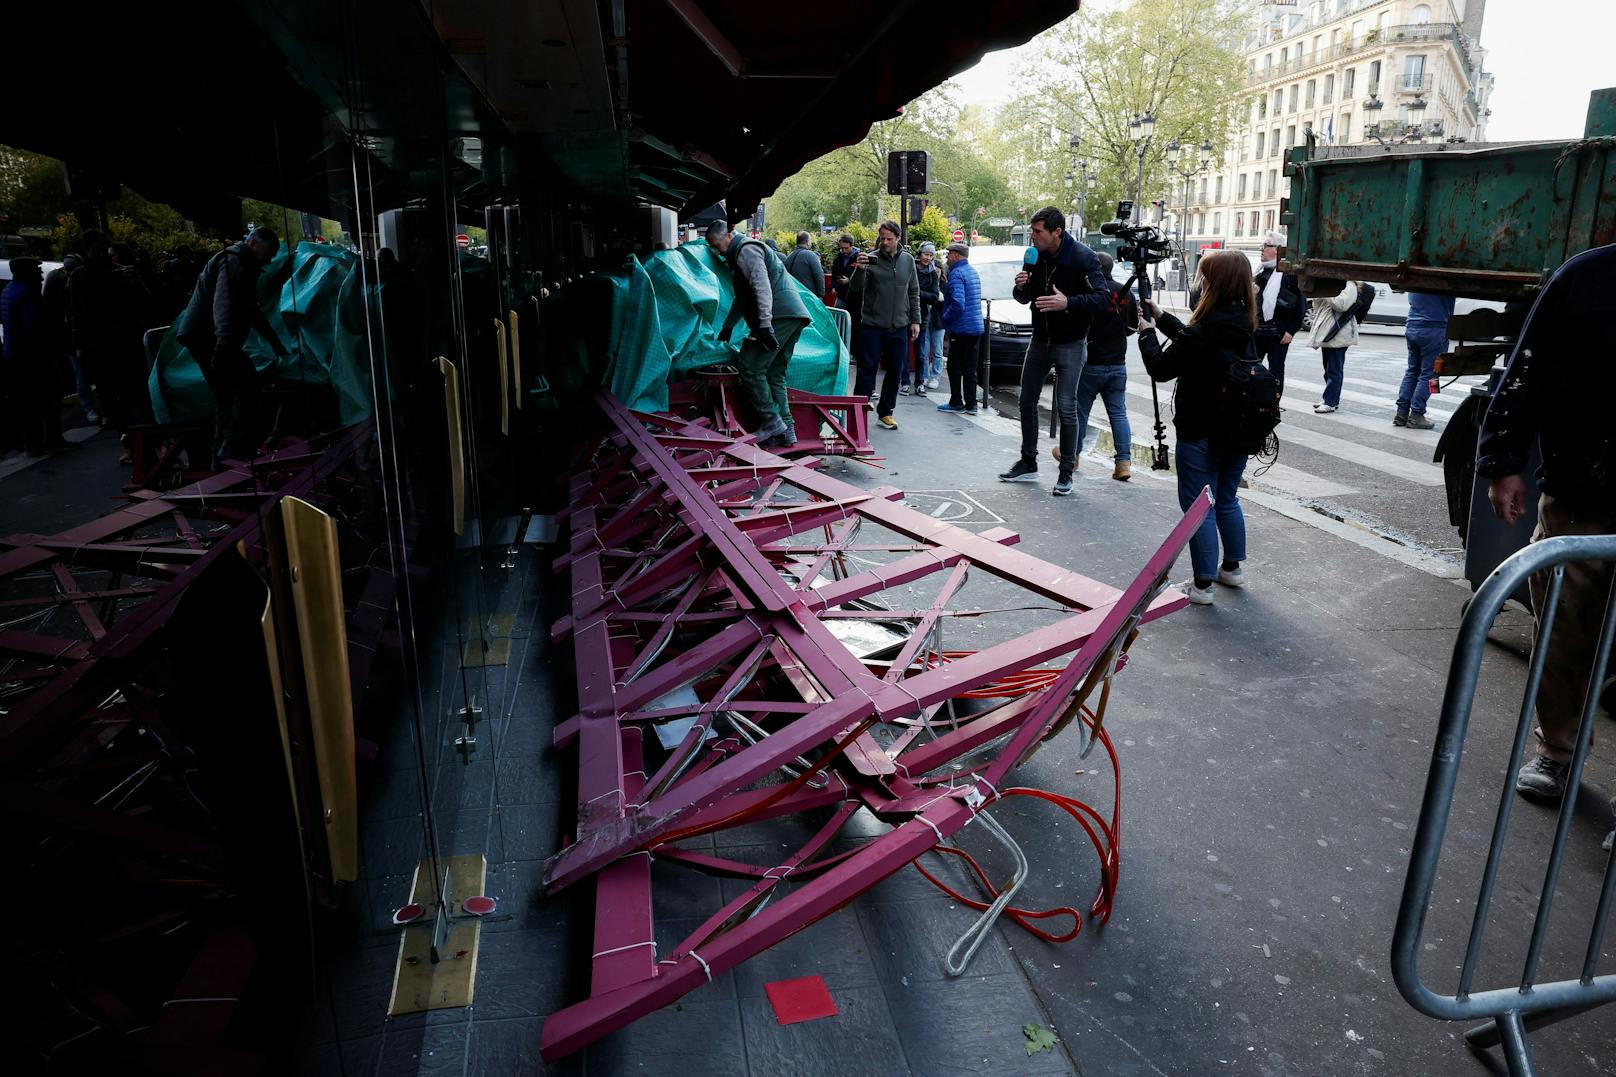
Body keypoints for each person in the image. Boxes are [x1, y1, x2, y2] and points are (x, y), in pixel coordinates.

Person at [1475, 243, 1616, 845]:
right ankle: (1558, 753)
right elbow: (1526, 371)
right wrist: (1503, 461)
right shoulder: (1587, 278)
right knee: (1562, 630)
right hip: (1585, 496)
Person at [1136, 250, 1257, 606]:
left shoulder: (1204, 331)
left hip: (1200, 430)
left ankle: (1202, 585)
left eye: (1202, 277)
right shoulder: (1247, 324)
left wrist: (1146, 333)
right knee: (1227, 498)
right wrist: (1162, 319)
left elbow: (1161, 367)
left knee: (1198, 507)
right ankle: (1231, 569)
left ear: (1212, 283)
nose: (1197, 283)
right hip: (1237, 429)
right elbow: (1194, 341)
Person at [998, 206, 1110, 497]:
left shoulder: (1083, 257)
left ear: (1056, 233)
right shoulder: (1035, 256)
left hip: (1071, 341)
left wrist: (1068, 303)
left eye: (1038, 232)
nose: (1032, 237)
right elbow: (1025, 298)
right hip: (1040, 338)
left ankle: (1066, 472)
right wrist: (1020, 287)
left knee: (1066, 407)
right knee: (1026, 400)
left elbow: (1102, 299)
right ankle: (1028, 460)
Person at [175, 227, 290, 468]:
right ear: (254, 244)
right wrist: (224, 348)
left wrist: (274, 341)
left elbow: (250, 309)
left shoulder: (243, 263)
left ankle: (223, 452)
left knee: (231, 390)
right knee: (236, 390)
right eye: (268, 253)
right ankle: (227, 453)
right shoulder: (234, 263)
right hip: (207, 338)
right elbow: (224, 306)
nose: (269, 260)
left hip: (209, 337)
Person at [708, 222, 811, 448]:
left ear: (728, 235)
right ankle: (787, 432)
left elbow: (761, 286)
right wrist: (728, 326)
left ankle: (771, 421)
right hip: (793, 315)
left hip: (779, 316)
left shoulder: (747, 249)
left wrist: (764, 326)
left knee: (749, 366)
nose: (718, 252)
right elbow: (742, 296)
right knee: (774, 373)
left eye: (717, 246)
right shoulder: (739, 255)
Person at [69, 230, 151, 451]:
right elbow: (77, 312)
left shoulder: (115, 273)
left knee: (132, 394)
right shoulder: (82, 276)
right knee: (118, 397)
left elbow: (144, 302)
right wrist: (79, 344)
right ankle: (132, 443)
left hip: (119, 342)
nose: (98, 254)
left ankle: (142, 442)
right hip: (105, 344)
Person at [1068, 251, 1136, 482]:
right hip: (1118, 361)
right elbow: (1132, 327)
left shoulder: (1091, 293)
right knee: (1118, 414)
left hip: (1092, 362)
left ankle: (1073, 456)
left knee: (1080, 411)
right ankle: (1123, 463)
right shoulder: (1125, 292)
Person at [847, 221, 919, 431]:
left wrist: (915, 320)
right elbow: (855, 288)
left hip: (899, 325)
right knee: (866, 369)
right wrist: (860, 269)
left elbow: (913, 292)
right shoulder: (871, 258)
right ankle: (858, 413)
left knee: (896, 371)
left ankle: (886, 413)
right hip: (872, 324)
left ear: (898, 238)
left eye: (889, 238)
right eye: (882, 238)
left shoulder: (908, 261)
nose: (885, 242)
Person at [2, 257, 70, 453]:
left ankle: (33, 442)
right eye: (36, 269)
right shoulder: (28, 294)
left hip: (14, 356)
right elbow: (33, 328)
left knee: (28, 402)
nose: (40, 274)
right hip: (33, 357)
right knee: (49, 397)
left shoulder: (8, 291)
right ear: (26, 272)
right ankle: (53, 439)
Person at [41, 253, 94, 425]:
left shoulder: (55, 281)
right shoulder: (68, 284)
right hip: (73, 337)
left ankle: (90, 408)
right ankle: (92, 408)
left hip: (70, 338)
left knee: (81, 374)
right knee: (83, 374)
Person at [1253, 230, 1304, 399]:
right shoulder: (1258, 273)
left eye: (1266, 246)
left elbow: (1301, 305)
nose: (1262, 249)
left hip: (1279, 333)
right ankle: (1254, 401)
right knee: (1252, 367)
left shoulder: (1289, 274)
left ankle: (1272, 405)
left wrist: (1291, 331)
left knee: (1276, 370)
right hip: (1258, 330)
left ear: (1278, 249)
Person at [1396, 291, 1454, 430]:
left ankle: (1401, 413)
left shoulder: (1416, 278)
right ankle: (1417, 414)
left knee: (1412, 371)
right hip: (1435, 328)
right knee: (1431, 375)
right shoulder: (1445, 279)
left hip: (1412, 325)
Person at [937, 241, 983, 414]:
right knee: (970, 368)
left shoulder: (956, 274)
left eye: (949, 254)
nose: (947, 257)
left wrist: (945, 319)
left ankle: (956, 401)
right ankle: (972, 404)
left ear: (956, 255)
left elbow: (958, 303)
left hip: (962, 328)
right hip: (976, 327)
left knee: (954, 367)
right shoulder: (972, 271)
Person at [1305, 279, 1360, 414]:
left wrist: (1326, 293)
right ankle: (1328, 398)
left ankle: (1331, 401)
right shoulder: (1333, 285)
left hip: (1339, 332)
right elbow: (1318, 307)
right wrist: (1319, 295)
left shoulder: (1350, 285)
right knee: (1327, 368)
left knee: (1335, 369)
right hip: (1327, 332)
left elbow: (1342, 305)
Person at [904, 242, 945, 397]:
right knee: (904, 351)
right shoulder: (911, 269)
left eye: (930, 255)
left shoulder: (933, 273)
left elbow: (934, 297)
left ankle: (920, 382)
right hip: (906, 314)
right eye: (925, 254)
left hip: (923, 316)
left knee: (921, 352)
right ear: (920, 254)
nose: (928, 258)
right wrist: (921, 294)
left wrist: (916, 292)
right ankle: (905, 382)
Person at [830, 234, 862, 357]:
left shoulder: (859, 257)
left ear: (851, 246)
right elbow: (834, 273)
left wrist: (850, 281)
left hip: (854, 296)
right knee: (838, 321)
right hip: (841, 294)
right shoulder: (838, 258)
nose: (843, 251)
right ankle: (840, 348)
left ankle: (853, 352)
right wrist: (834, 286)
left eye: (846, 248)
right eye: (841, 248)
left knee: (854, 324)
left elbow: (861, 277)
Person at [783, 231, 824, 301]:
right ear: (808, 241)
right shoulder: (811, 255)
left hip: (793, 297)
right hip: (809, 297)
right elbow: (819, 276)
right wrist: (821, 295)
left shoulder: (788, 257)